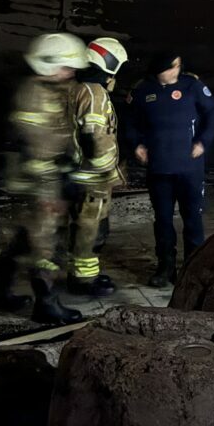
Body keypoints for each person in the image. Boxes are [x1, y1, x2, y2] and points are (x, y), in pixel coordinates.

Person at [0, 33, 114, 324]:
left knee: (23, 240)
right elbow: (36, 143)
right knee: (45, 245)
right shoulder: (34, 94)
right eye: (66, 67)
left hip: (43, 179)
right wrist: (53, 190)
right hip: (38, 183)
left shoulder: (53, 88)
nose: (70, 72)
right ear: (47, 65)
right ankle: (47, 305)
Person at [125, 52, 214, 288]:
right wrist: (136, 144)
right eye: (171, 67)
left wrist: (203, 142)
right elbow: (130, 122)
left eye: (178, 66)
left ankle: (193, 269)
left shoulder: (192, 86)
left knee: (193, 219)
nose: (176, 71)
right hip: (159, 168)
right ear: (158, 70)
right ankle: (165, 267)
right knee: (163, 220)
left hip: (189, 167)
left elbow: (212, 113)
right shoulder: (143, 91)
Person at [72, 37, 130, 289]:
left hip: (85, 173)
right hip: (94, 177)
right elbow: (95, 135)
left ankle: (84, 275)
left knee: (88, 225)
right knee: (91, 228)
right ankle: (84, 279)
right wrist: (106, 172)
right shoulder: (94, 94)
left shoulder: (78, 88)